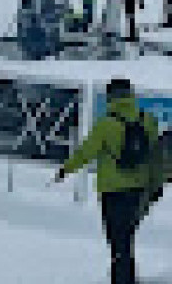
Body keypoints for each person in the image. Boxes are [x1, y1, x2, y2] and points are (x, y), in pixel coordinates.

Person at [55, 78, 159, 284]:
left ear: (110, 96)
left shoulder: (106, 124)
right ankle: (126, 276)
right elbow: (155, 152)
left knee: (117, 238)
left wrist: (66, 169)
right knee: (127, 235)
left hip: (112, 189)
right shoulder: (147, 120)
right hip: (139, 188)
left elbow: (86, 152)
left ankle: (122, 279)